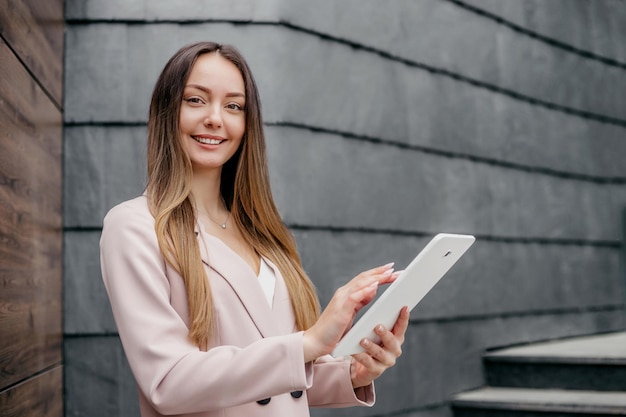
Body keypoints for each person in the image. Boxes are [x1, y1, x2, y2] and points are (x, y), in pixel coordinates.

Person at [100, 41, 410, 417]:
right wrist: (308, 343)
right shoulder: (134, 226)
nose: (216, 118)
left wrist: (353, 371)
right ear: (168, 111)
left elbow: (277, 384)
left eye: (233, 106)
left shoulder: (262, 234)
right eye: (196, 100)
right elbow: (168, 381)